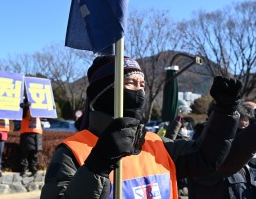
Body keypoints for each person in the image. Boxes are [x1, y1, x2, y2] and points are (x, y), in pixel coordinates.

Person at [40, 56, 242, 199]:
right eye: (130, 83)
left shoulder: (157, 143)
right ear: (105, 93)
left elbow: (205, 157)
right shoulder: (72, 151)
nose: (139, 91)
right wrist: (98, 165)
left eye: (142, 84)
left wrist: (225, 112)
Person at [187, 101, 256, 199]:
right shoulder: (204, 157)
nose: (242, 137)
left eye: (246, 130)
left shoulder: (247, 160)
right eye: (239, 131)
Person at [19, 98, 43, 176]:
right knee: (25, 152)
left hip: (37, 132)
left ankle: (33, 167)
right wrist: (26, 106)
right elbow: (22, 115)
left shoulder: (39, 106)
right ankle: (24, 168)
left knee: (34, 152)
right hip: (27, 132)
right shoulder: (24, 107)